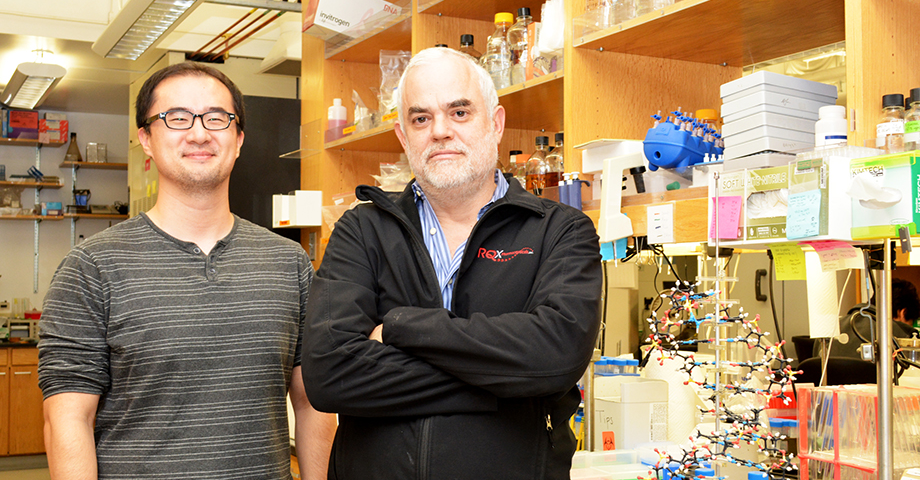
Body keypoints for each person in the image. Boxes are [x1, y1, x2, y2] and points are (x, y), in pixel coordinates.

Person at [302, 47, 602, 479]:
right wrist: (503, 386)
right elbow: (330, 374)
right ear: (404, 137)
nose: (440, 131)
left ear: (494, 124)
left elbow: (555, 355)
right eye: (420, 118)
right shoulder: (363, 230)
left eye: (459, 112)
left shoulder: (559, 230)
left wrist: (402, 327)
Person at [38, 62, 336, 480]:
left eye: (217, 118)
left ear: (238, 139)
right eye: (176, 118)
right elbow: (68, 419)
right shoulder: (91, 268)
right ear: (146, 138)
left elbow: (312, 403)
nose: (199, 133)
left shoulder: (290, 265)